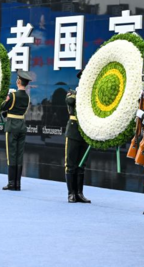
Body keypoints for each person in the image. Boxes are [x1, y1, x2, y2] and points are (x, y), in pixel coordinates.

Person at [1, 71, 32, 191]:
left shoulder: (13, 95)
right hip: (21, 126)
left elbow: (3, 106)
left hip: (12, 125)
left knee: (11, 155)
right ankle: (18, 183)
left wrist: (6, 99)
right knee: (19, 155)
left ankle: (11, 183)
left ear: (19, 81)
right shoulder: (27, 97)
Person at [64, 71, 91, 203]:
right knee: (71, 164)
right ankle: (71, 193)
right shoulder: (73, 93)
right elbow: (69, 101)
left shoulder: (90, 96)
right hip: (74, 132)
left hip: (84, 133)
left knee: (81, 165)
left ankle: (79, 193)